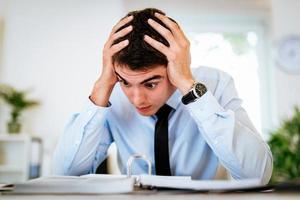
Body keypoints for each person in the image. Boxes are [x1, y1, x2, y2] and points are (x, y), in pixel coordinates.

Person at [53, 8, 273, 185]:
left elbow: (257, 175)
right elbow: (65, 175)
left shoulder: (217, 84)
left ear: (176, 66)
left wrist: (189, 86)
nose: (137, 99)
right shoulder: (113, 95)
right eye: (126, 82)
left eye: (151, 83)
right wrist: (102, 87)